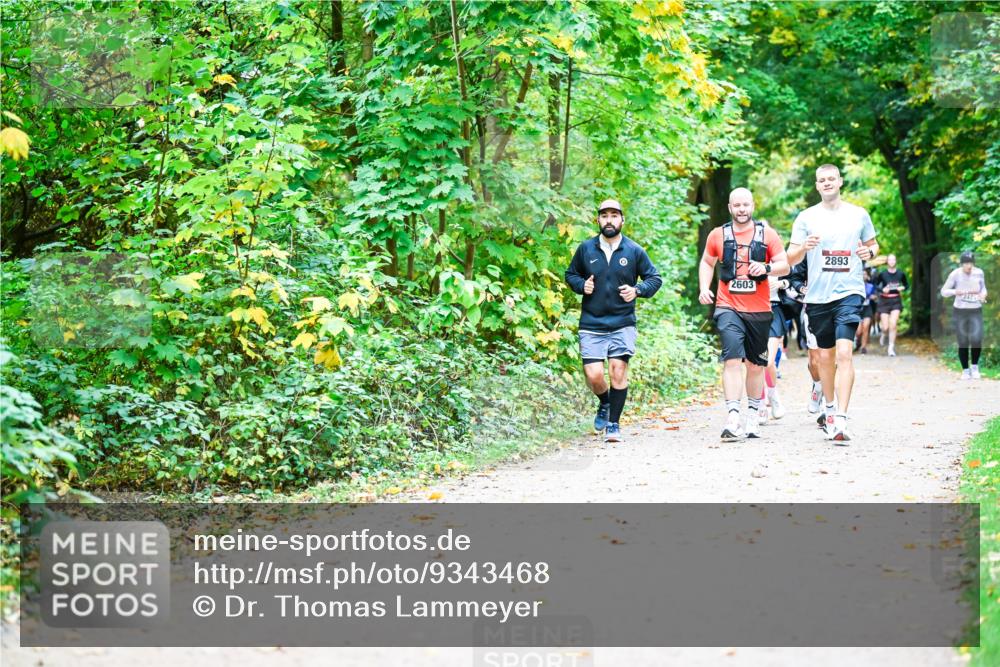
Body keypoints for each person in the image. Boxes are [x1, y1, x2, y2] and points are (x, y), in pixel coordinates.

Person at [786, 164, 879, 443]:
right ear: (817, 185)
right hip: (817, 297)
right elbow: (790, 259)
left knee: (844, 354)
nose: (827, 183)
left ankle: (841, 417)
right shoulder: (806, 218)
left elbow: (874, 246)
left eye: (831, 179)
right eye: (821, 180)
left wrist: (869, 251)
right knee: (824, 358)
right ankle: (828, 408)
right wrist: (804, 247)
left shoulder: (858, 214)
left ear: (840, 181)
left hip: (849, 293)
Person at [565, 199, 662, 443]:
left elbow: (654, 278)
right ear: (598, 220)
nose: (609, 220)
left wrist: (637, 290)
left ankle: (613, 424)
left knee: (618, 370)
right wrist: (581, 285)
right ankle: (606, 402)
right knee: (594, 375)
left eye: (614, 215)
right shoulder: (586, 249)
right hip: (592, 322)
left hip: (622, 321)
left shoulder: (634, 250)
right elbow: (571, 274)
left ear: (622, 220)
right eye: (604, 215)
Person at [698, 188, 789, 441]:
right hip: (728, 306)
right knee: (732, 359)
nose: (741, 209)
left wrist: (767, 267)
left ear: (753, 205)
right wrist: (705, 288)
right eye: (736, 205)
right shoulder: (718, 235)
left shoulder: (767, 234)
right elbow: (707, 262)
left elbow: (785, 264)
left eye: (745, 205)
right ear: (729, 207)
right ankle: (733, 416)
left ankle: (752, 413)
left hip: (759, 310)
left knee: (755, 365)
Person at [941, 251, 988, 379]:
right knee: (963, 341)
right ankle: (965, 370)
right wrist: (956, 291)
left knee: (977, 339)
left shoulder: (979, 272)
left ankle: (975, 367)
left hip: (975, 310)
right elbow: (943, 291)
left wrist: (983, 294)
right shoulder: (955, 274)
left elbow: (983, 288)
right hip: (960, 311)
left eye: (971, 263)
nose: (969, 266)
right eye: (966, 263)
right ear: (961, 264)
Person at [787, 257, 824, 415]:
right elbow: (795, 278)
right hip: (813, 309)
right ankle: (817, 387)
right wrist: (802, 288)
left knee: (832, 358)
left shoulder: (843, 248)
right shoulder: (810, 253)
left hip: (838, 308)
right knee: (815, 361)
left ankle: (828, 405)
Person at [874, 254, 908, 356]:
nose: (892, 261)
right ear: (887, 262)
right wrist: (882, 289)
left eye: (894, 259)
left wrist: (903, 288)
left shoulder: (901, 273)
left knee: (893, 323)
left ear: (896, 261)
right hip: (884, 301)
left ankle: (891, 347)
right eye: (890, 260)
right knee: (885, 327)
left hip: (896, 300)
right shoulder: (882, 274)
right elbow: (875, 285)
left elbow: (907, 285)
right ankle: (884, 333)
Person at [855, 269, 876, 354]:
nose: (863, 276)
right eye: (862, 274)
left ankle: (863, 347)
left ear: (867, 276)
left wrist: (873, 297)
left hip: (867, 308)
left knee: (866, 327)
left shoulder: (871, 286)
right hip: (858, 309)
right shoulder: (855, 286)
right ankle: (858, 342)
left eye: (865, 274)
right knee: (859, 331)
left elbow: (875, 296)